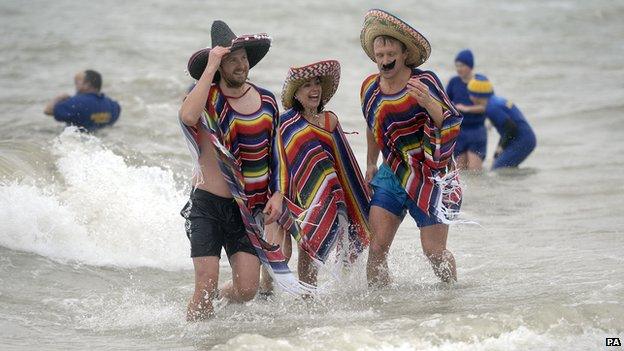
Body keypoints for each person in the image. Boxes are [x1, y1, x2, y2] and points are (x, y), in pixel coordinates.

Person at [178, 20, 282, 320]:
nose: (240, 65)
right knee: (205, 284)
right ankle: (196, 336)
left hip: (246, 208)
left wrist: (278, 192)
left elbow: (275, 153)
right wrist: (209, 67)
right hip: (207, 204)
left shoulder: (265, 100)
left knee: (247, 290)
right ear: (220, 65)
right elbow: (187, 116)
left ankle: (215, 305)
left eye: (243, 59)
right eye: (232, 60)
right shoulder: (206, 98)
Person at [359, 9, 463, 287]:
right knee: (377, 250)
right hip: (391, 174)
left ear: (404, 53)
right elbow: (373, 126)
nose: (384, 61)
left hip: (429, 176)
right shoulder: (370, 88)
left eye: (390, 54)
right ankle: (383, 312)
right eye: (379, 56)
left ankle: (452, 297)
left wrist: (430, 103)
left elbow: (450, 123)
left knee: (434, 252)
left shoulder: (424, 82)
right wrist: (371, 163)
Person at [269, 60, 371, 287]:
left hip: (327, 196)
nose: (314, 90)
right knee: (283, 252)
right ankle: (266, 294)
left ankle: (309, 296)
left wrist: (356, 194)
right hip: (292, 193)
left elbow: (345, 164)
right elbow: (277, 160)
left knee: (310, 247)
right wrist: (275, 192)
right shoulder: (285, 123)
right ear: (296, 93)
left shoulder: (330, 120)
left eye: (317, 84)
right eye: (307, 85)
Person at [467, 75, 536, 169]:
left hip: (522, 140)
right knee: (505, 167)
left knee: (499, 168)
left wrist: (501, 147)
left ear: (476, 95)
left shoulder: (492, 107)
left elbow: (511, 128)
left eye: (470, 93)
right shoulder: (494, 101)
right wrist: (499, 150)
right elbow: (507, 129)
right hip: (522, 138)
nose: (469, 97)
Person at [446, 49, 487, 171]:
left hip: (476, 130)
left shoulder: (481, 81)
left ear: (470, 66)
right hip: (459, 131)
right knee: (460, 173)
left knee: (475, 173)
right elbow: (446, 103)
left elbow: (488, 106)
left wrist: (466, 109)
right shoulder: (454, 82)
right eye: (457, 66)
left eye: (462, 65)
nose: (459, 69)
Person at [44, 70, 120, 131]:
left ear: (87, 85)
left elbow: (48, 110)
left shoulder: (75, 103)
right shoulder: (114, 106)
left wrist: (59, 97)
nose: (75, 86)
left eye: (77, 83)